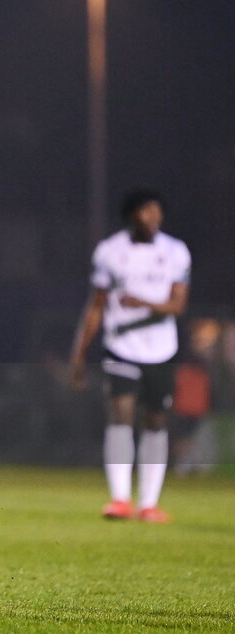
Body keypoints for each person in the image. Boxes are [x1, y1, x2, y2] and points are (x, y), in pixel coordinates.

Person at [70, 190, 190, 522]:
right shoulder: (110, 251)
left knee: (155, 421)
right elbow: (96, 305)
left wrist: (144, 303)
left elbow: (178, 305)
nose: (153, 218)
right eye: (145, 212)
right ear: (131, 215)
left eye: (157, 212)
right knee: (121, 414)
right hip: (120, 348)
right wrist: (79, 353)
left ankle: (149, 503)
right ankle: (120, 499)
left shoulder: (175, 252)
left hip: (161, 349)